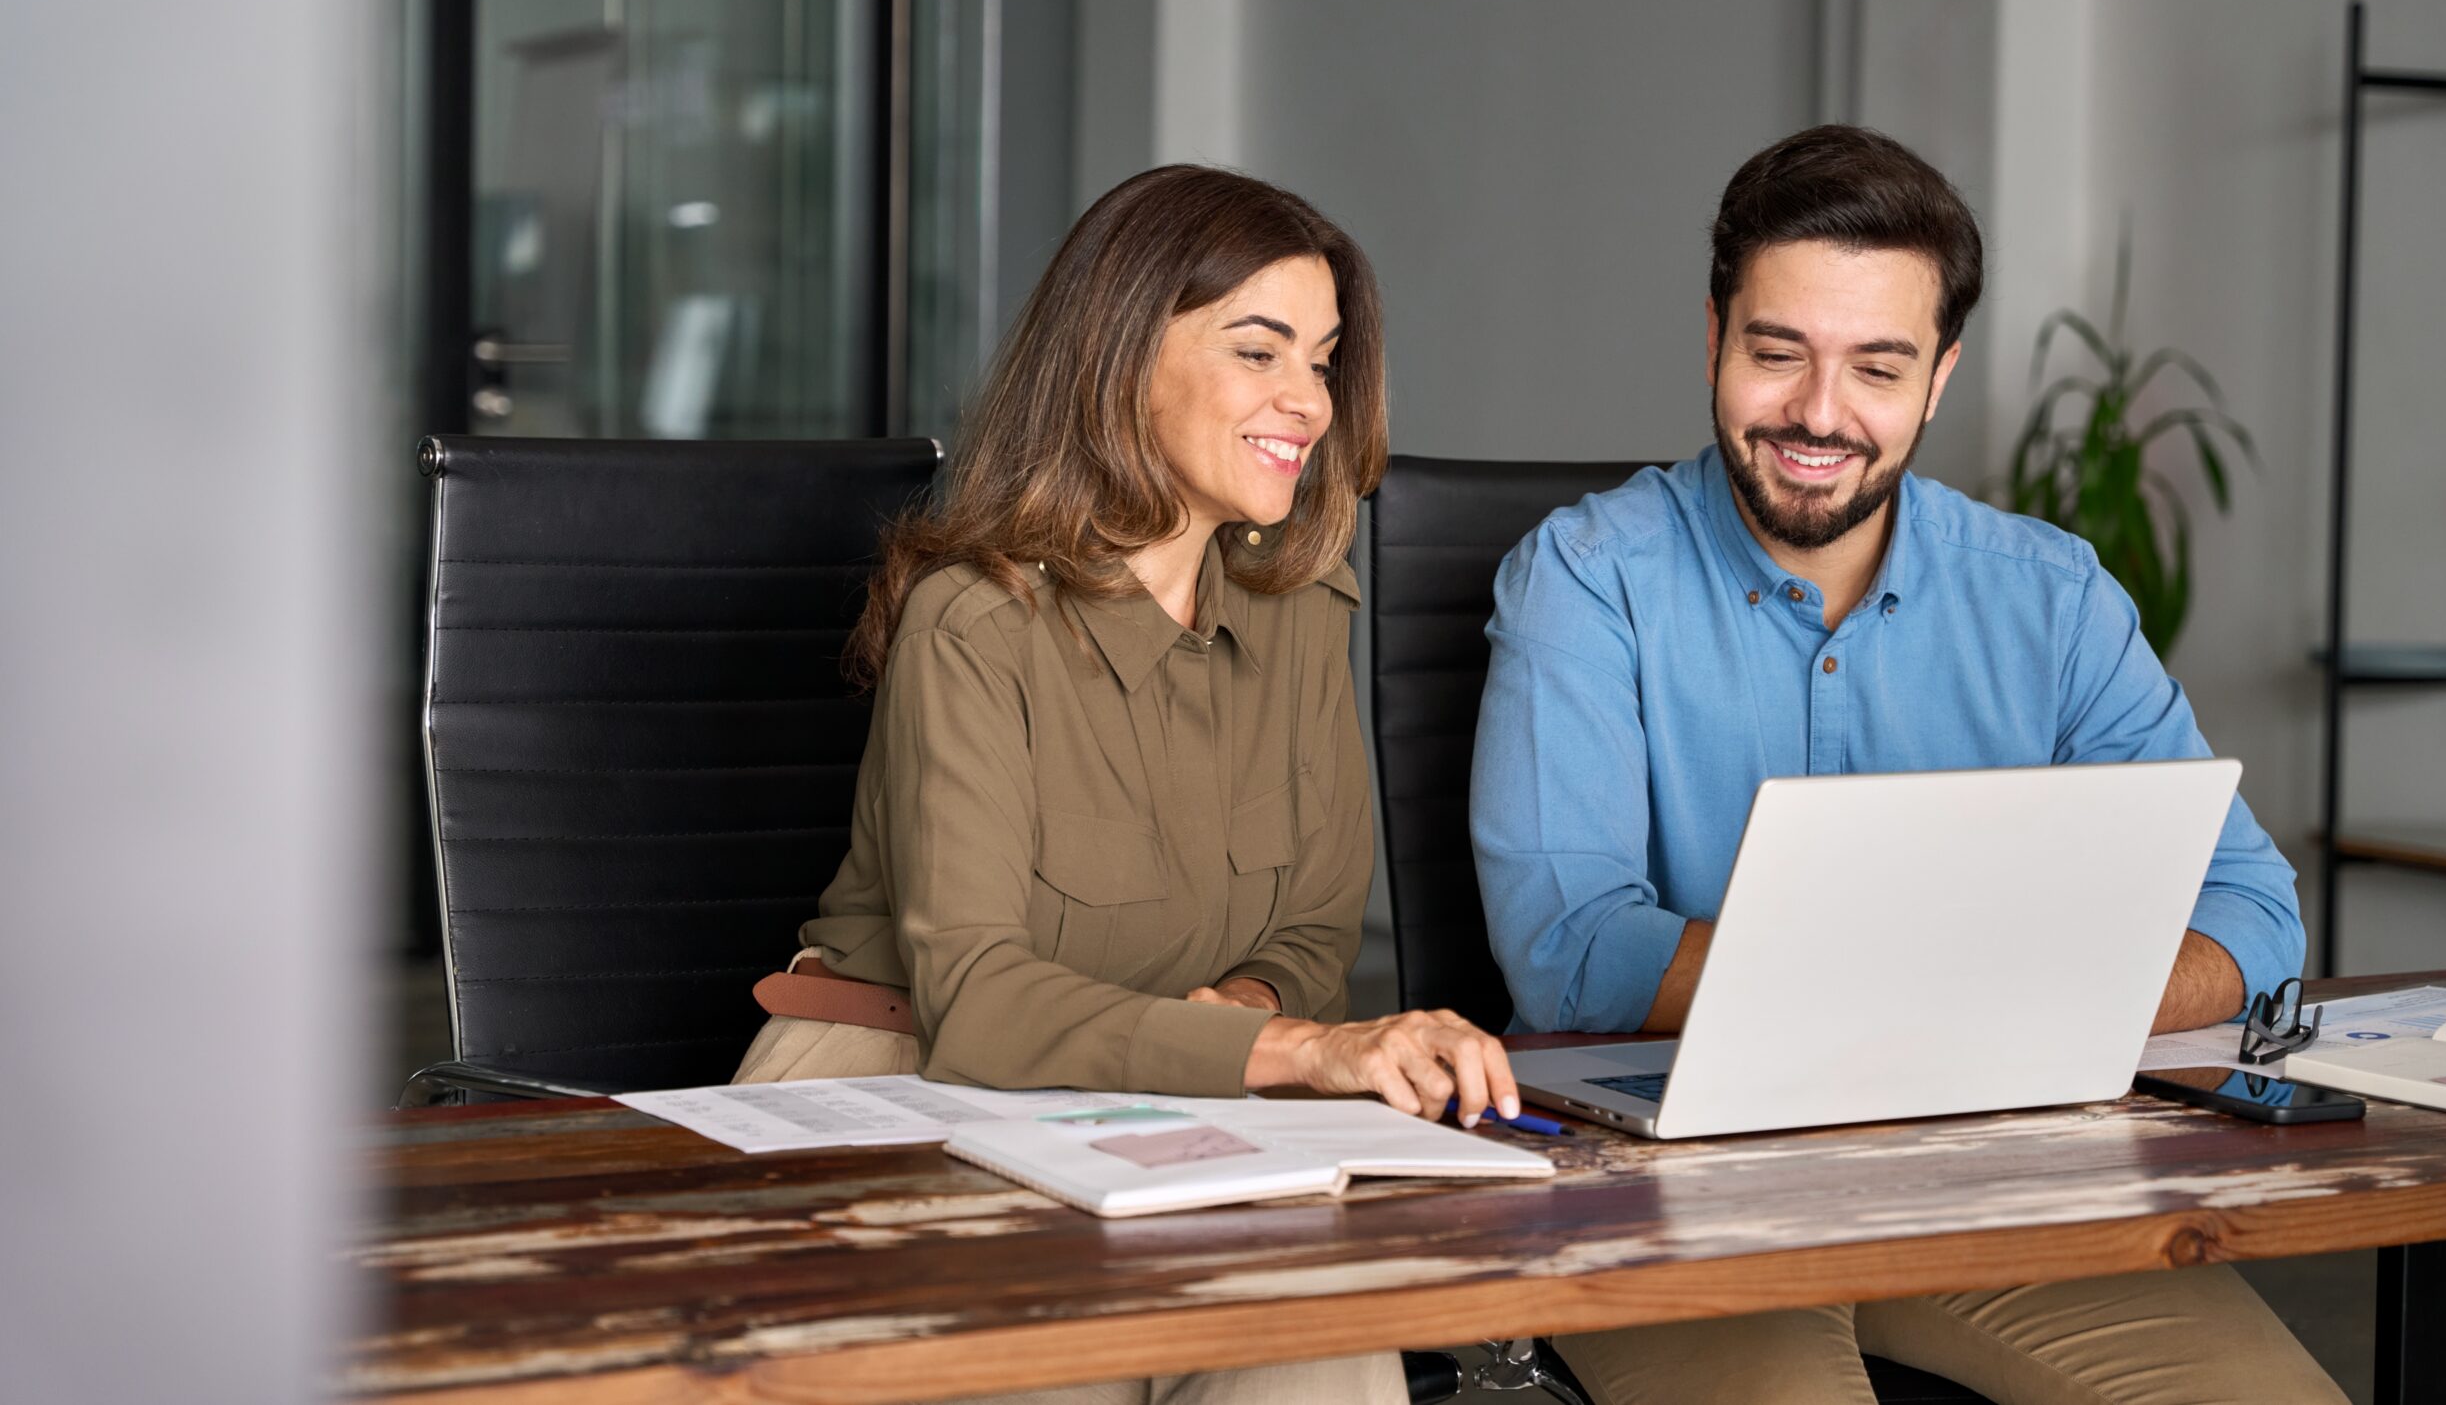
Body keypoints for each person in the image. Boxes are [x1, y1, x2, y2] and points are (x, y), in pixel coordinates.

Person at [1469, 125, 2345, 1405]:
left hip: (1991, 1180)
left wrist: (1964, 1009)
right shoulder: (1586, 579)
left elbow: (2255, 914)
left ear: (1937, 378)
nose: (1820, 414)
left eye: (1877, 367)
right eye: (1778, 354)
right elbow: (1568, 949)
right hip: (1665, 1188)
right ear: (1713, 339)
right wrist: (1979, 992)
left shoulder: (2050, 598)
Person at [737, 164, 1519, 1405]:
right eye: (1257, 352)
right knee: (1058, 1366)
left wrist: (1250, 1012)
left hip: (1163, 1095)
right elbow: (980, 1001)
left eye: (1320, 360)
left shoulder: (1305, 603)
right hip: (894, 1083)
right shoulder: (975, 621)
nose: (1306, 401)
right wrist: (1300, 1047)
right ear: (1118, 360)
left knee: (1325, 1345)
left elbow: (1311, 929)